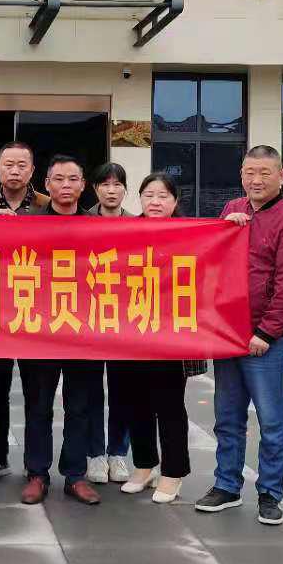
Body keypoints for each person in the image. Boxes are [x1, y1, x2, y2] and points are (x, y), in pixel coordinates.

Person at [195, 145, 283, 525]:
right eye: (249, 172)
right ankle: (226, 485)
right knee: (227, 418)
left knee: (272, 421)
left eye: (264, 172)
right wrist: (223, 229)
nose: (256, 180)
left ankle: (270, 493)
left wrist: (266, 332)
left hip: (267, 341)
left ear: (281, 176)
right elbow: (211, 259)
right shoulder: (233, 208)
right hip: (229, 333)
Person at [115, 173, 208, 503]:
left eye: (163, 196)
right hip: (131, 333)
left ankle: (173, 472)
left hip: (172, 336)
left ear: (175, 201)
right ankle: (144, 465)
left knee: (169, 406)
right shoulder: (125, 232)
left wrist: (234, 223)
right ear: (139, 198)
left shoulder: (191, 233)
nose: (155, 202)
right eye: (149, 195)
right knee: (135, 404)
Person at [18, 154, 104, 506]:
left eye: (72, 179)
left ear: (83, 185)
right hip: (39, 330)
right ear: (46, 184)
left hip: (83, 332)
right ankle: (37, 473)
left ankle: (75, 475)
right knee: (37, 406)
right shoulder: (28, 223)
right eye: (58, 179)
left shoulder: (99, 227)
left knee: (80, 407)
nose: (65, 185)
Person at [0, 141, 49, 482]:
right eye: (9, 164)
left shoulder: (47, 206)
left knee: (38, 396)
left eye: (22, 165)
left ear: (32, 170)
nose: (15, 170)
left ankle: (37, 468)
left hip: (36, 311)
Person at [84, 160, 134, 485]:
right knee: (90, 391)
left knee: (123, 391)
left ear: (125, 190)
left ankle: (117, 452)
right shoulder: (81, 222)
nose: (111, 190)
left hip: (125, 322)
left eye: (117, 185)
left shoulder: (138, 224)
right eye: (105, 184)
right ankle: (95, 454)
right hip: (88, 320)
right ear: (95, 189)